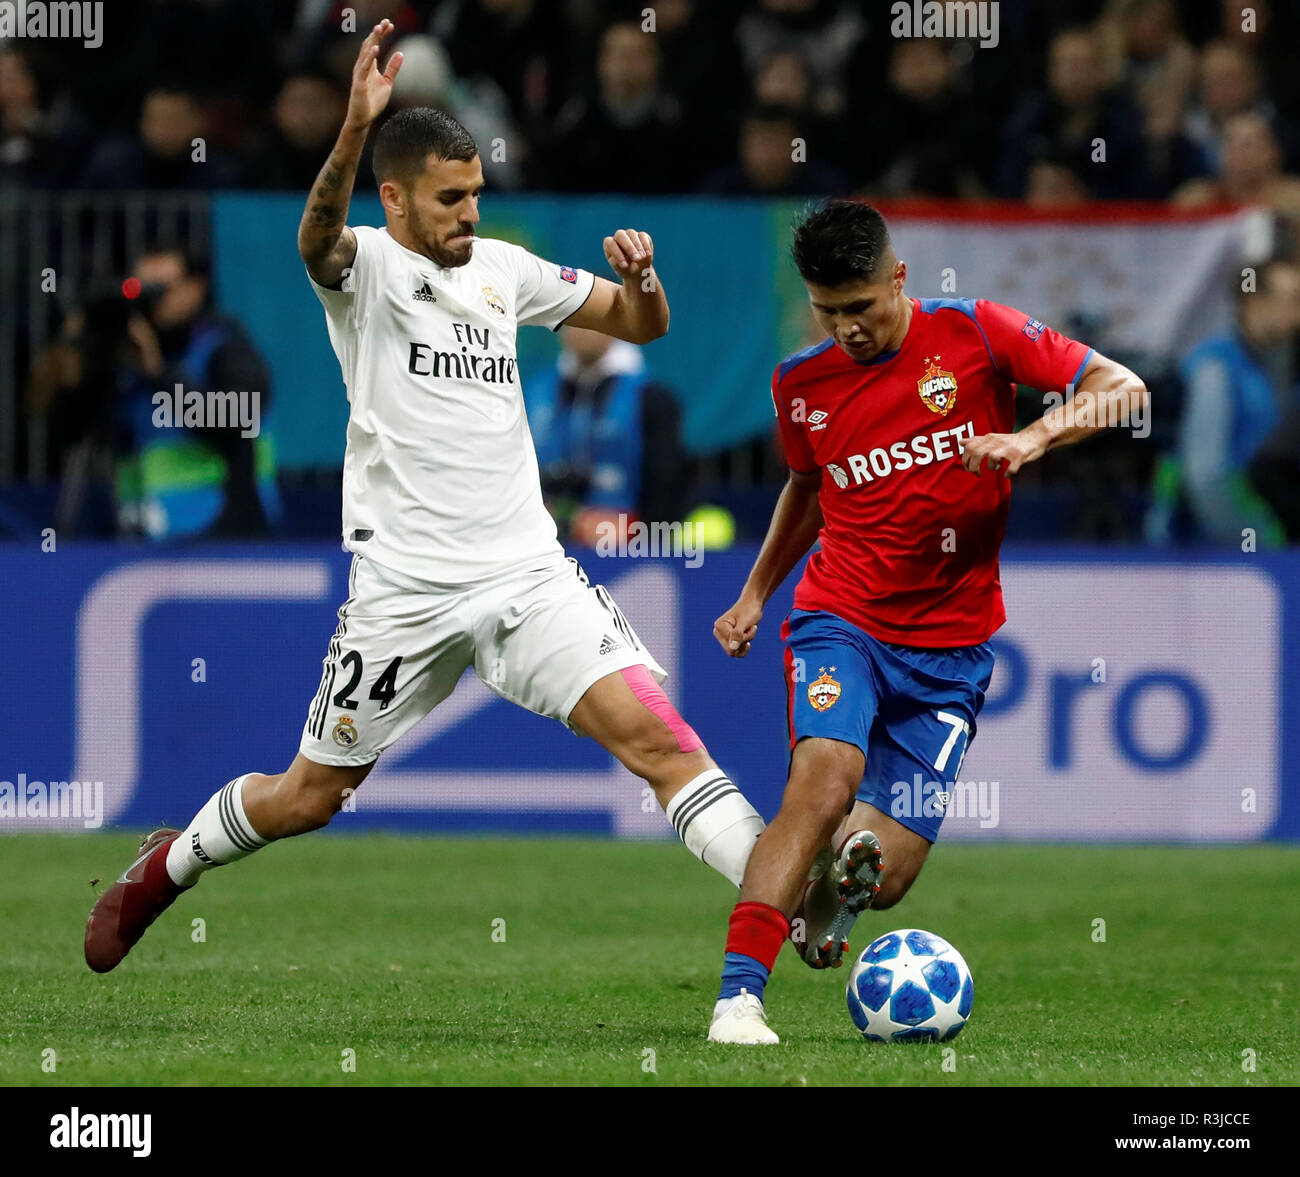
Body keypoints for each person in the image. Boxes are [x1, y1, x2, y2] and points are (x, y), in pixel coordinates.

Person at [84, 20, 797, 974]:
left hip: (526, 574)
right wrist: (349, 130)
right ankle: (167, 866)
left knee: (662, 745)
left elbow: (640, 323)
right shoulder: (367, 270)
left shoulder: (502, 270)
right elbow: (316, 235)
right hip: (404, 590)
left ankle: (790, 909)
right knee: (309, 796)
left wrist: (646, 283)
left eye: (475, 196)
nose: (469, 214)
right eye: (450, 199)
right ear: (395, 199)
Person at [705, 200, 1149, 1044]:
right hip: (842, 615)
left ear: (898, 278)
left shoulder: (979, 333)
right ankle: (738, 997)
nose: (846, 329)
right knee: (822, 780)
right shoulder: (801, 383)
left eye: (861, 307)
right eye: (827, 311)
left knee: (892, 876)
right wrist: (759, 590)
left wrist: (1033, 437)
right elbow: (808, 488)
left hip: (951, 647)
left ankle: (827, 899)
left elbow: (1123, 388)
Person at [527, 325, 686, 547]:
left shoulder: (650, 397)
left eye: (591, 322)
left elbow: (665, 485)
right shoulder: (538, 392)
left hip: (624, 551)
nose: (580, 330)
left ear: (613, 326)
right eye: (572, 321)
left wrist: (639, 533)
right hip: (548, 545)